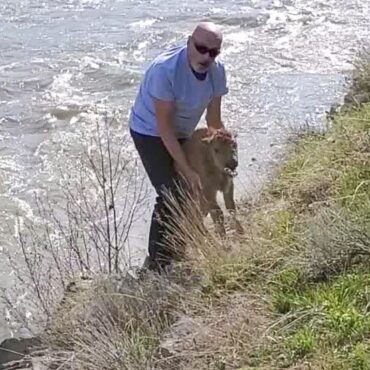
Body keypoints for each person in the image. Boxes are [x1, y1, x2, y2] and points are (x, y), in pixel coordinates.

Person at [129, 21, 229, 273]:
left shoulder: (217, 72)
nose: (206, 56)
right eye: (201, 48)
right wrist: (186, 168)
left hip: (183, 131)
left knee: (201, 186)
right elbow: (164, 128)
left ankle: (179, 245)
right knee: (172, 191)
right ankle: (157, 265)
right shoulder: (165, 71)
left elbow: (213, 121)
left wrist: (224, 142)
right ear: (189, 42)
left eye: (213, 52)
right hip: (150, 131)